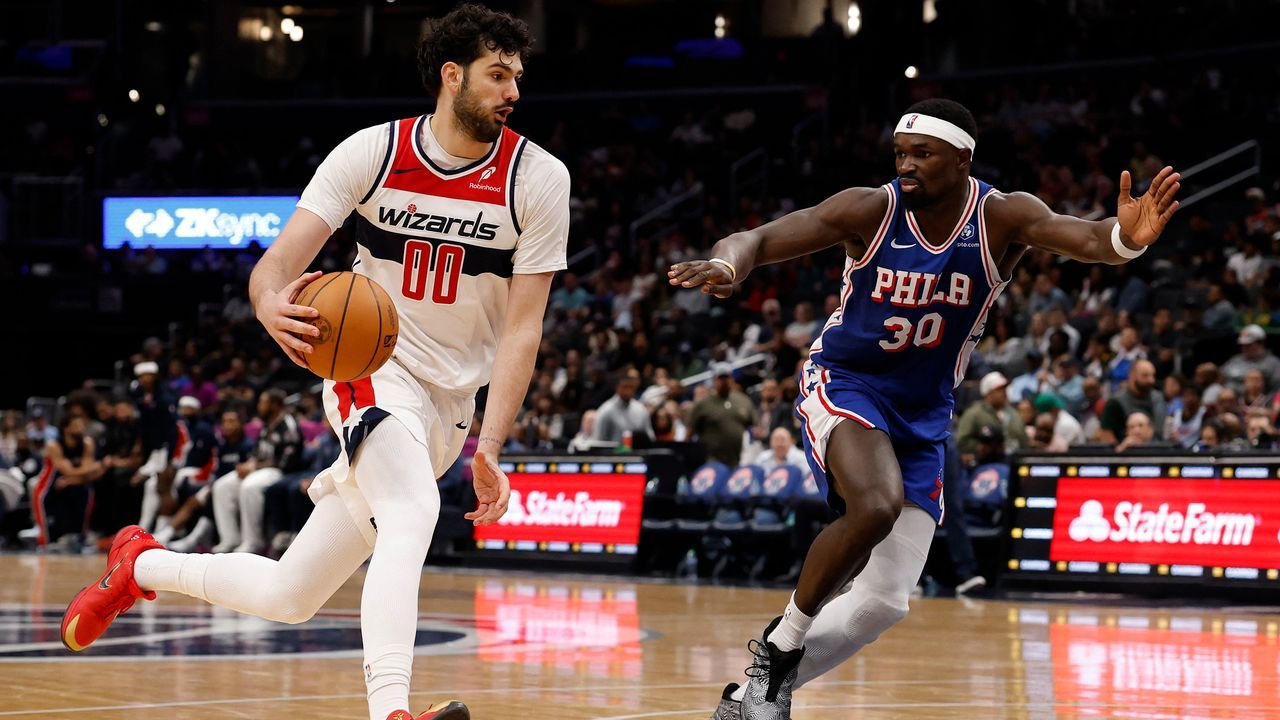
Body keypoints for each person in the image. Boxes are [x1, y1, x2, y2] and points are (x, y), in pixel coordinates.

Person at [60, 6, 568, 720]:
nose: (513, 90)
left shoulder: (538, 178)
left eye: (517, 76)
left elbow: (523, 328)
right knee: (414, 511)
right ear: (452, 76)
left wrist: (490, 444)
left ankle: (139, 563)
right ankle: (391, 711)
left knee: (290, 594)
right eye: (498, 75)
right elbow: (274, 268)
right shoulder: (373, 153)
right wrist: (268, 304)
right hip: (373, 365)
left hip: (450, 407)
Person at [670, 97, 1181, 720]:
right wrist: (727, 262)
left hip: (924, 410)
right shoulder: (870, 208)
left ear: (962, 159)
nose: (906, 165)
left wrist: (1127, 238)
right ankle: (779, 648)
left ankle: (755, 692)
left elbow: (1090, 239)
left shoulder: (1001, 216)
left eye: (922, 154)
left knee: (882, 602)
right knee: (876, 504)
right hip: (847, 382)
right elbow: (760, 237)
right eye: (900, 153)